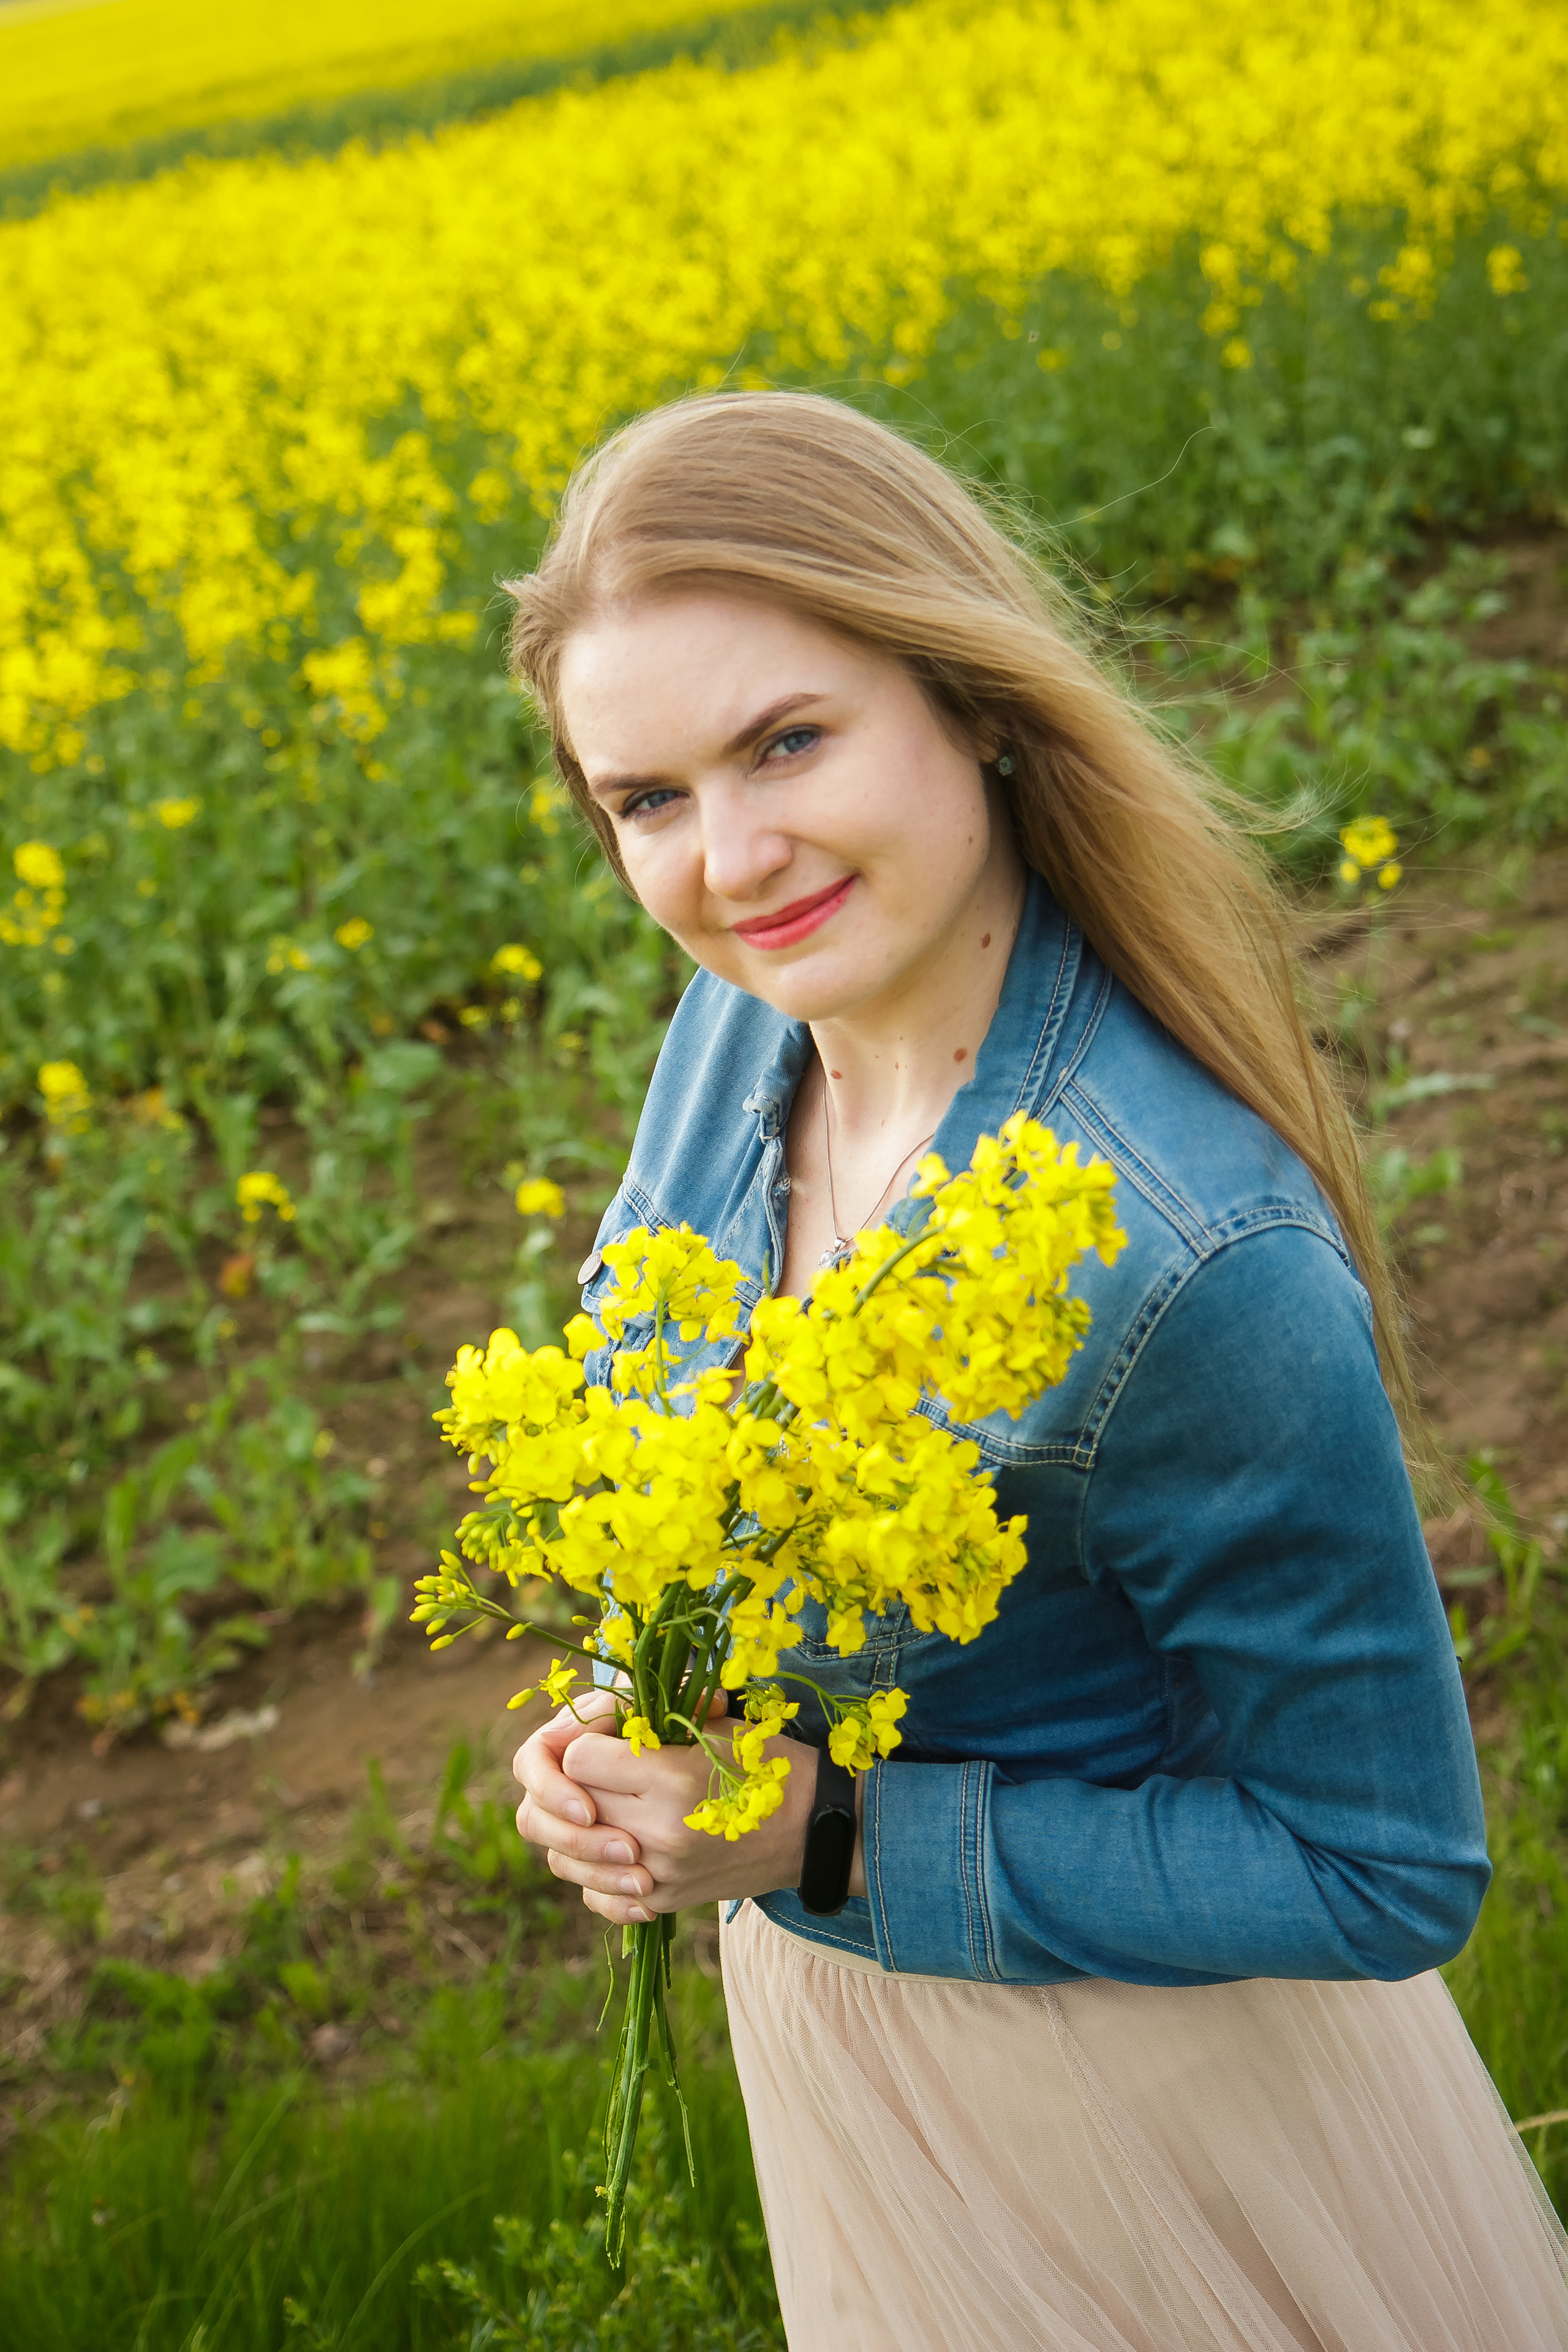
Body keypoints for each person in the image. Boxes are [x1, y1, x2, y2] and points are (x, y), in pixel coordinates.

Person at [508, 390, 1568, 2350]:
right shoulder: (738, 1037)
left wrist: (814, 1834)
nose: (730, 862)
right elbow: (682, 1476)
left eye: (790, 741)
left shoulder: (1195, 1256)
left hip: (1143, 2137)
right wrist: (617, 1719)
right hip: (857, 2077)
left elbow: (1382, 1865)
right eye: (645, 800)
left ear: (974, 698)